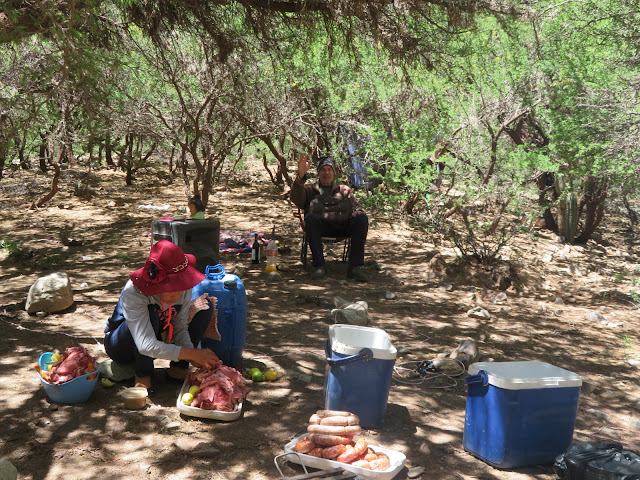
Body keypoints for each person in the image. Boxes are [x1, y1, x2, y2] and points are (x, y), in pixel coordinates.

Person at [103, 240, 219, 389]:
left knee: (204, 307)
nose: (177, 292)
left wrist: (192, 353)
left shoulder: (184, 286)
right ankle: (143, 374)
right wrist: (191, 353)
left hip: (159, 331)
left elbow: (180, 326)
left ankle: (178, 369)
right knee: (152, 312)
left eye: (180, 286)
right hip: (122, 345)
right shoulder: (134, 291)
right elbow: (145, 344)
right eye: (171, 287)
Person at [290, 154, 369, 282]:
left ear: (334, 172)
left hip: (343, 226)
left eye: (329, 169)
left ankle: (355, 268)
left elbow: (356, 206)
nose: (326, 173)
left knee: (362, 219)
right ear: (318, 173)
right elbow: (296, 199)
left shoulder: (344, 190)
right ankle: (319, 266)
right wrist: (300, 178)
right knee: (310, 218)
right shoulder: (310, 190)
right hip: (321, 228)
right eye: (323, 169)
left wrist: (358, 211)